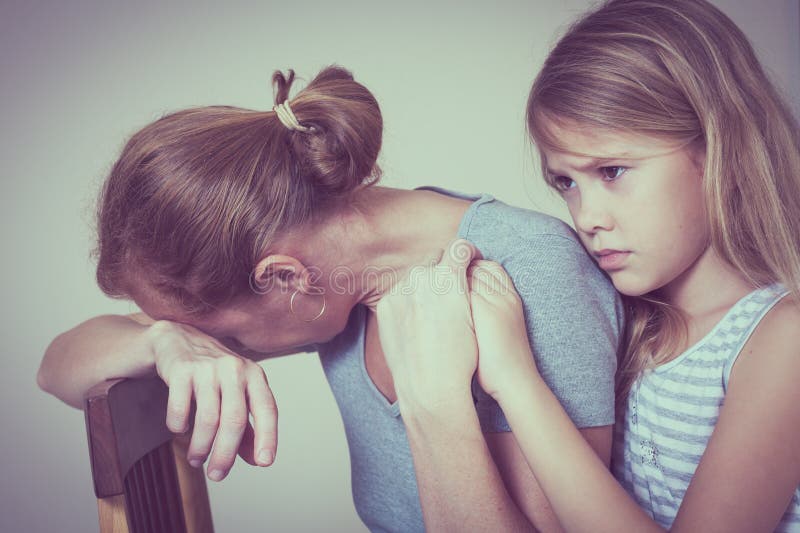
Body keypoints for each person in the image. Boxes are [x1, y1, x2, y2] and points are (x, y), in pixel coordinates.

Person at [37, 66, 623, 531]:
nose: (226, 348)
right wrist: (163, 341)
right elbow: (56, 368)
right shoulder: (335, 291)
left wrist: (434, 404)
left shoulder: (533, 269)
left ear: (286, 279)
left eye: (230, 336)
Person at [375, 0, 800, 531]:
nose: (587, 217)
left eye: (612, 171)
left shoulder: (783, 339)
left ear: (718, 150)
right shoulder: (626, 319)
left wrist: (515, 380)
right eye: (567, 183)